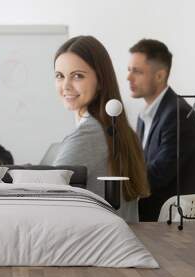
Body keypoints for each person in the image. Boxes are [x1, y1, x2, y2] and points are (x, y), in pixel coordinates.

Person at [53, 36, 150, 222]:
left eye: (77, 76)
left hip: (92, 247)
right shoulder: (118, 129)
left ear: (100, 81)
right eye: (60, 76)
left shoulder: (89, 134)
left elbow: (44, 195)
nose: (65, 85)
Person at [128, 39, 195, 221]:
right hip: (155, 207)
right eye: (129, 70)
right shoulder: (145, 116)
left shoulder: (178, 114)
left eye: (137, 71)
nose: (129, 78)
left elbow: (159, 174)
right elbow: (144, 168)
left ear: (159, 76)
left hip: (173, 216)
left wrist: (120, 181)